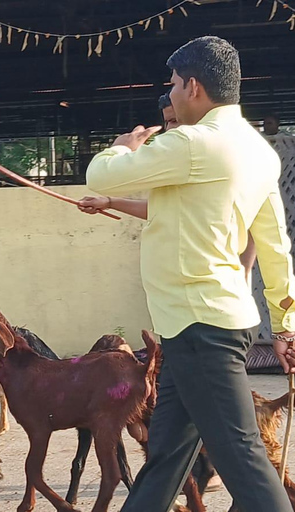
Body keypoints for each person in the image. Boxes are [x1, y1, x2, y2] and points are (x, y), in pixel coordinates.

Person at [85, 36, 295, 512]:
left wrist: (120, 148)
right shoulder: (260, 153)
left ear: (194, 86)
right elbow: (275, 243)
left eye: (174, 83)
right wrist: (285, 322)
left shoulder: (192, 143)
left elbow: (101, 175)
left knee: (242, 456)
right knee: (166, 457)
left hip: (201, 326)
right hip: (202, 324)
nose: (172, 93)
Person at [79, 93, 257, 284]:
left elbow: (100, 177)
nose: (172, 128)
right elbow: (163, 207)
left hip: (204, 287)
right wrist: (110, 202)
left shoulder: (210, 155)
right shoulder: (182, 162)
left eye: (176, 120)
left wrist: (120, 149)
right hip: (181, 287)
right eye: (168, 122)